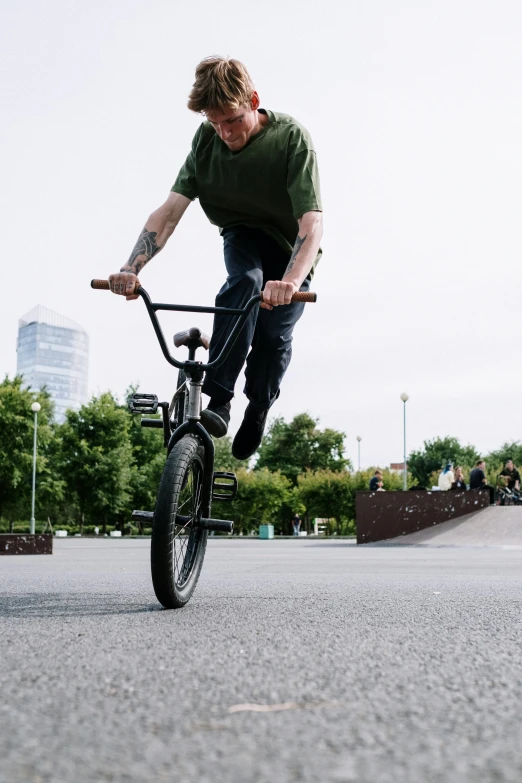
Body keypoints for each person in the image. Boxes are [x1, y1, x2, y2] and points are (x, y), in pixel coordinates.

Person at [108, 57, 323, 461]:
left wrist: (292, 280)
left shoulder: (292, 138)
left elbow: (312, 223)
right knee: (244, 283)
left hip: (290, 248)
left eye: (233, 120)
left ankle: (258, 408)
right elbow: (169, 212)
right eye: (215, 122)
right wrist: (129, 268)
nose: (225, 133)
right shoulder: (206, 142)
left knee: (271, 340)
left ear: (254, 101)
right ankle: (219, 400)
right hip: (242, 236)